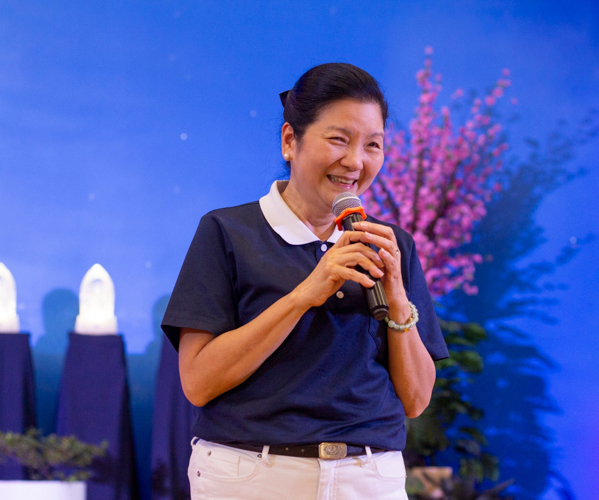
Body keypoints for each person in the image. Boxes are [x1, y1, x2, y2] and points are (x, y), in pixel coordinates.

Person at [161, 62, 449, 500]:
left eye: (373, 145)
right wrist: (304, 295)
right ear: (290, 141)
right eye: (339, 139)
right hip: (251, 476)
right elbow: (198, 381)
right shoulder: (228, 233)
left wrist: (396, 298)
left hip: (368, 478)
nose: (355, 161)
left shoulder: (392, 246)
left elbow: (415, 400)